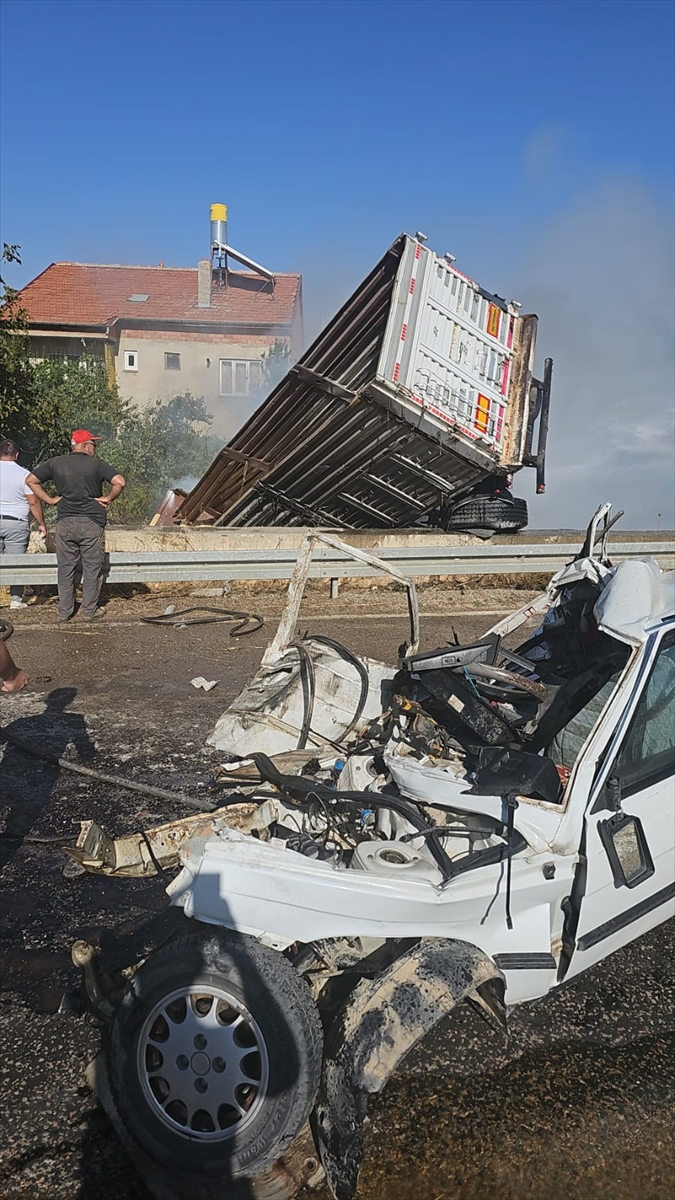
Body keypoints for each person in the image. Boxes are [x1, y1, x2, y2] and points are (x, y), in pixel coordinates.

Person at [26, 430, 126, 623]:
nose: (95, 448)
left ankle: (64, 612)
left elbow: (30, 480)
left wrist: (50, 500)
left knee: (65, 568)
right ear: (84, 445)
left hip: (65, 522)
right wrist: (109, 498)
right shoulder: (96, 464)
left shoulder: (56, 462)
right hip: (91, 523)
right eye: (93, 444)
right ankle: (89, 612)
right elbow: (120, 482)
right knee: (92, 568)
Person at [0, 437, 46, 610]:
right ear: (17, 455)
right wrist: (41, 523)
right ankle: (16, 599)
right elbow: (33, 502)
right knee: (16, 561)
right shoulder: (24, 474)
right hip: (16, 523)